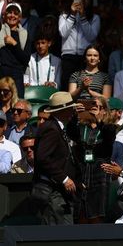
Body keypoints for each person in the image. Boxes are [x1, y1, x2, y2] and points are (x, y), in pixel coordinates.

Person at [32, 91, 81, 224]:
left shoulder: (57, 127)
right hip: (53, 192)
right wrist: (64, 179)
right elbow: (43, 158)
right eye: (70, 108)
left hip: (59, 193)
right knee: (57, 234)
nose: (73, 111)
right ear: (63, 110)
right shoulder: (51, 129)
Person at [67, 110, 116, 223]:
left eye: (97, 106)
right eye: (90, 106)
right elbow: (71, 132)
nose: (93, 110)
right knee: (80, 214)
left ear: (104, 110)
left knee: (97, 216)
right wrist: (75, 115)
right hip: (82, 173)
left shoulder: (108, 127)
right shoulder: (81, 127)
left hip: (99, 175)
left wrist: (100, 121)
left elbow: (109, 138)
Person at [0, 2, 30, 97]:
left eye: (15, 13)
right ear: (4, 15)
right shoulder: (0, 30)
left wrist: (14, 43)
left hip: (17, 75)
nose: (12, 15)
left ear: (20, 17)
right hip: (1, 73)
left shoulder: (25, 34)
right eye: (9, 12)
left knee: (17, 105)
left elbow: (25, 59)